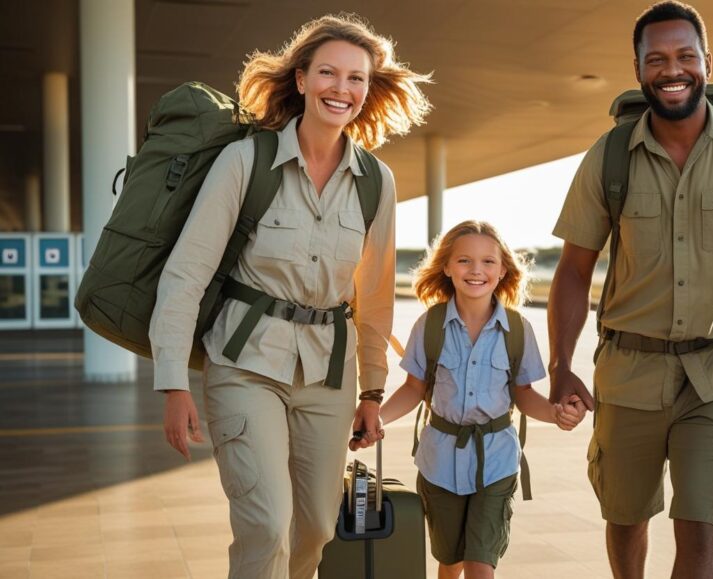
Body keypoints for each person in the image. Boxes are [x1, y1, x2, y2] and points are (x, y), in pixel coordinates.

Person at [149, 14, 431, 578]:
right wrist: (173, 381)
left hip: (329, 376)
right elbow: (187, 272)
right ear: (301, 79)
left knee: (317, 527)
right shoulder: (245, 162)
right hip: (245, 365)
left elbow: (375, 299)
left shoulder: (376, 181)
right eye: (328, 72)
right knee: (267, 525)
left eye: (356, 78)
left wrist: (372, 392)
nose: (341, 88)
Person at [547, 2, 713, 577]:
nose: (673, 70)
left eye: (685, 56)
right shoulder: (609, 156)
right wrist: (561, 366)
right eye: (657, 59)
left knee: (701, 531)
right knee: (625, 518)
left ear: (707, 62)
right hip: (629, 372)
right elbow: (573, 269)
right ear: (638, 69)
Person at [379, 220, 583, 579]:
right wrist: (377, 418)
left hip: (496, 463)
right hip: (439, 463)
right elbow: (413, 389)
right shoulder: (429, 325)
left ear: (503, 270)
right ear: (446, 266)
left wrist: (555, 414)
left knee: (479, 564)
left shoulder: (517, 330)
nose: (476, 270)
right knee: (450, 562)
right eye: (464, 261)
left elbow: (523, 395)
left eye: (488, 261)